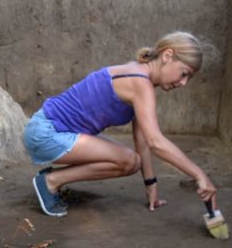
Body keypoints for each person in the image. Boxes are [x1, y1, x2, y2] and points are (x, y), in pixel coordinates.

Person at [23, 31, 218, 218]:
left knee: (131, 160)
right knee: (128, 161)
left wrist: (151, 185)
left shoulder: (139, 75)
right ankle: (50, 181)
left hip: (49, 130)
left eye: (188, 78)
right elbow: (156, 142)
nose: (183, 83)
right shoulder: (139, 83)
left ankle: (51, 180)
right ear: (168, 55)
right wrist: (200, 175)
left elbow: (141, 140)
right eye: (184, 73)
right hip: (46, 133)